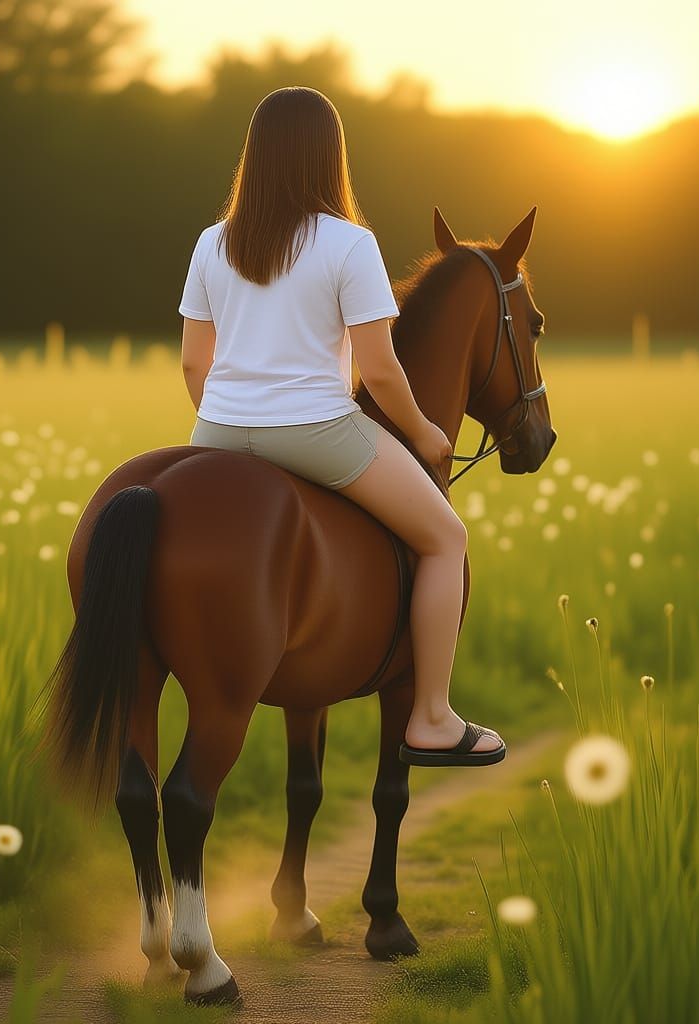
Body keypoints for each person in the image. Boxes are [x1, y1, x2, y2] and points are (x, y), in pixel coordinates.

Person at [177, 86, 505, 768]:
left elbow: (192, 362)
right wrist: (423, 433)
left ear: (255, 157)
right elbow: (380, 371)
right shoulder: (349, 245)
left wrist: (233, 420)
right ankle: (434, 718)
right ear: (331, 158)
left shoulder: (213, 243)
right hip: (315, 431)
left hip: (212, 434)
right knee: (447, 538)